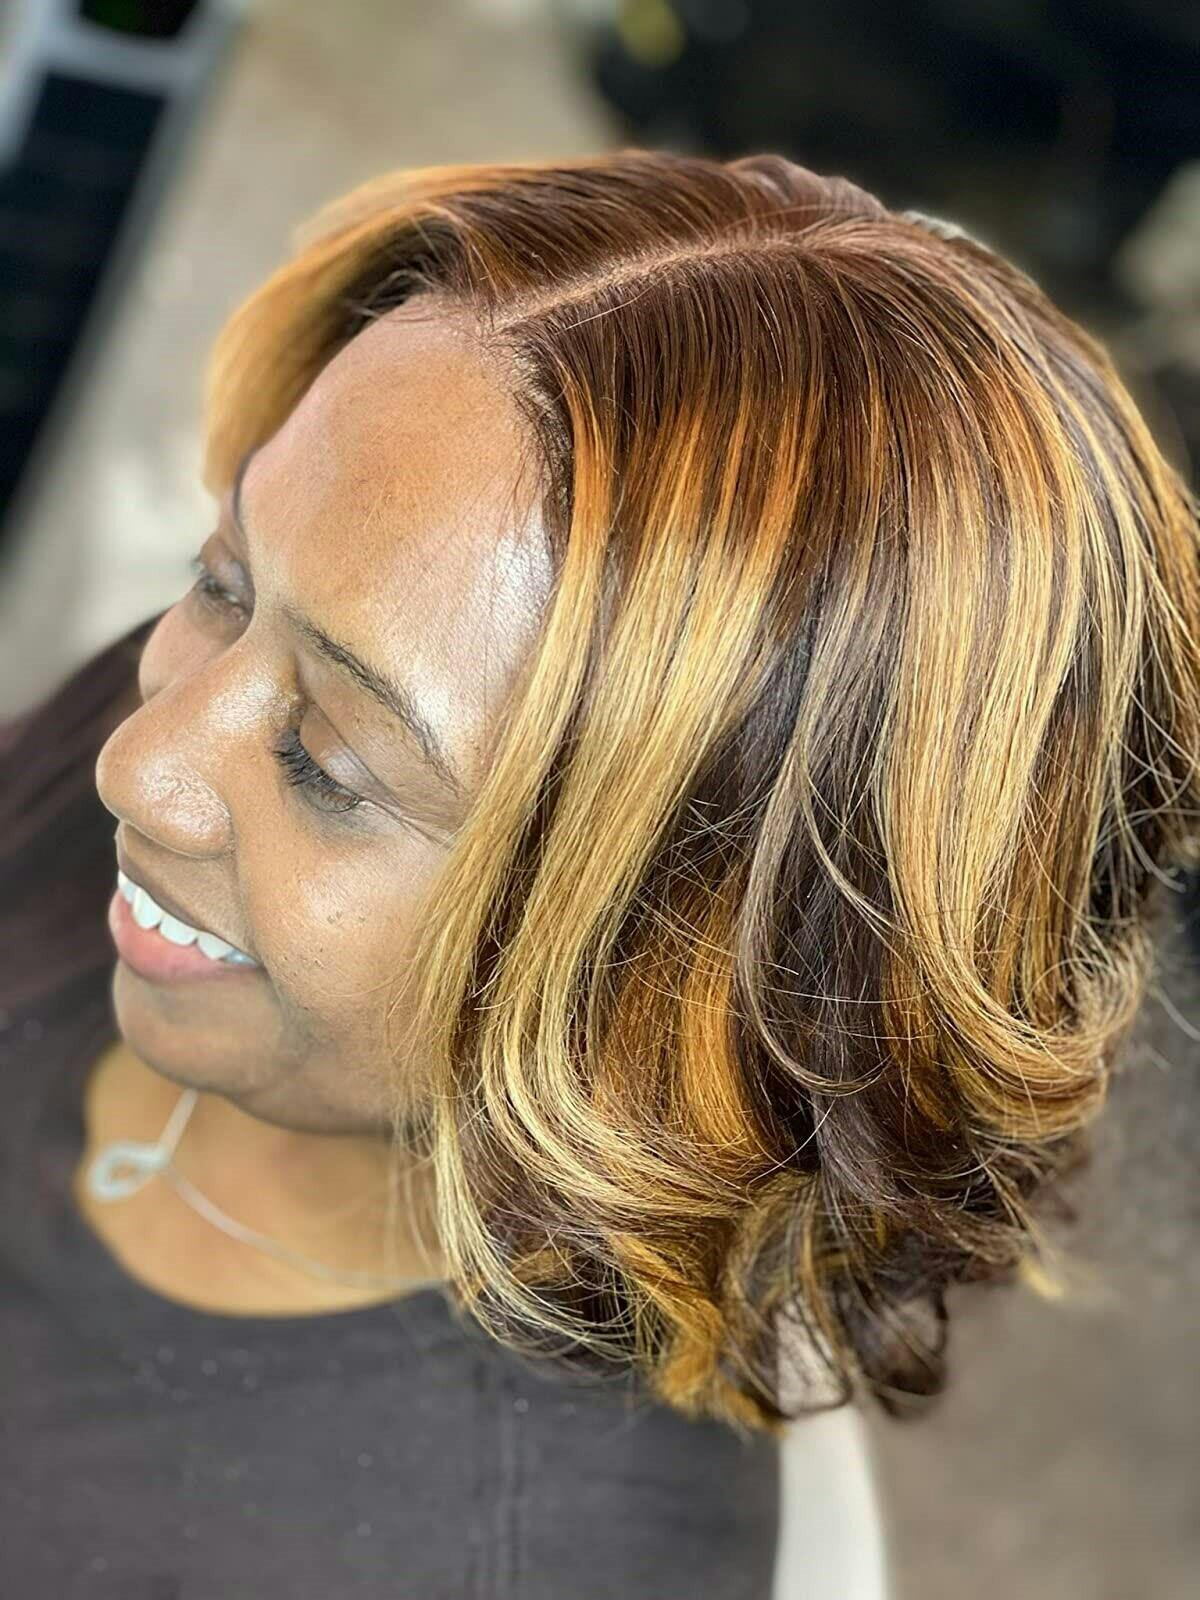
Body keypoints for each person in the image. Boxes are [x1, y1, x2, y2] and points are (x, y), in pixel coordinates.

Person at [1, 148, 1197, 1598]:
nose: (141, 763)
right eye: (221, 580)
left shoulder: (503, 1561)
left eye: (332, 764)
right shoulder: (218, 711)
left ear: (671, 997)